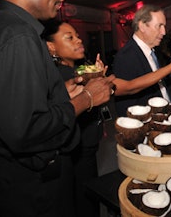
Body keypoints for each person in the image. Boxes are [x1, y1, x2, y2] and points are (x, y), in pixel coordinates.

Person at [0, 0, 115, 216]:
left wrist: (59, 95)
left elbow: (11, 106)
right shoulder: (19, 36)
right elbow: (25, 130)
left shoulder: (8, 27)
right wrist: (85, 98)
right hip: (34, 190)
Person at [42, 19, 109, 217]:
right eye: (69, 38)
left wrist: (97, 78)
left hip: (86, 147)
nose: (78, 40)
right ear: (51, 47)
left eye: (77, 36)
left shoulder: (79, 70)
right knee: (83, 202)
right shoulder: (59, 77)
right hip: (75, 152)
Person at [113, 4, 171, 116]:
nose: (164, 32)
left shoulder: (153, 50)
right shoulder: (126, 56)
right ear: (142, 26)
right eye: (159, 26)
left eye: (164, 26)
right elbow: (128, 95)